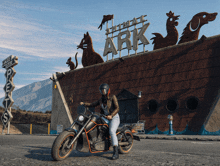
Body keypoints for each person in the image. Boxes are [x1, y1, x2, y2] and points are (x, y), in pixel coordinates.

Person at [80, 83, 120, 160]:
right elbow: (93, 104)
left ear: (107, 90)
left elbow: (117, 108)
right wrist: (84, 104)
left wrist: (111, 115)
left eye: (104, 90)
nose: (102, 92)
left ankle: (115, 152)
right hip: (105, 117)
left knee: (112, 131)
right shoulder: (101, 99)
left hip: (114, 117)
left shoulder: (112, 97)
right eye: (101, 90)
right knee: (97, 124)